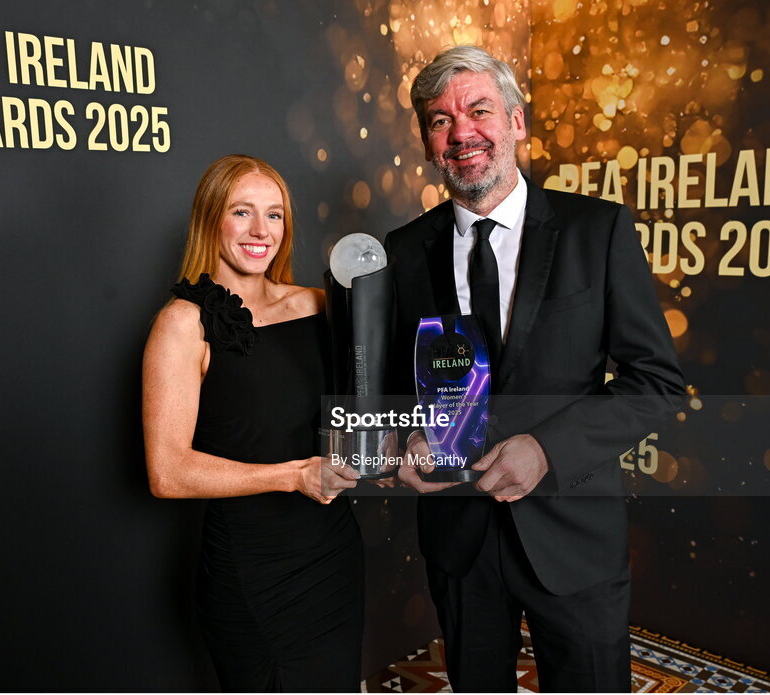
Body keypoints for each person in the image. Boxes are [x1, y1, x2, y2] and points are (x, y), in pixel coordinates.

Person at [384, 46, 686, 692]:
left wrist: (546, 450)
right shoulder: (404, 252)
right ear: (428, 142)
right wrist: (404, 437)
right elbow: (392, 386)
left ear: (518, 121)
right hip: (462, 544)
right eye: (440, 120)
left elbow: (655, 383)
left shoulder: (596, 231)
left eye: (478, 110)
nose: (461, 132)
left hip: (572, 538)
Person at [142, 154, 363, 692]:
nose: (261, 231)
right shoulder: (182, 324)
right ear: (210, 218)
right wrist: (292, 476)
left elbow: (357, 409)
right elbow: (167, 473)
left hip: (332, 554)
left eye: (275, 215)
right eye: (242, 213)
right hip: (253, 571)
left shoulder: (317, 304)